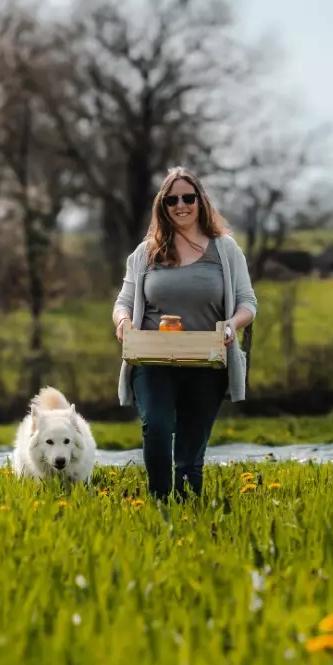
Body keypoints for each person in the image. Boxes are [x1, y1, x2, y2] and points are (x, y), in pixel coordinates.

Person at [112, 167, 257, 500]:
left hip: (206, 361)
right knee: (158, 428)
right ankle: (160, 505)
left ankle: (188, 514)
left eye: (188, 198)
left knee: (190, 455)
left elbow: (248, 302)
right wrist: (123, 323)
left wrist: (233, 324)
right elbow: (123, 302)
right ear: (162, 205)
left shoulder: (225, 250)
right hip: (153, 359)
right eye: (172, 199)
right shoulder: (145, 253)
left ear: (200, 201)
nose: (181, 205)